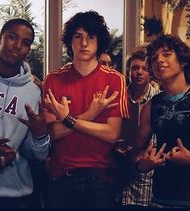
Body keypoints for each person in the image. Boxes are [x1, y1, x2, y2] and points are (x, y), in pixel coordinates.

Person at [42, 10, 129, 208]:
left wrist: (68, 119)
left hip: (100, 177)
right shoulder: (53, 79)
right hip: (60, 175)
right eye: (78, 36)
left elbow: (112, 134)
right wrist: (91, 114)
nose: (84, 43)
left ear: (99, 42)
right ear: (69, 41)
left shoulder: (115, 79)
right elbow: (53, 132)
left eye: (91, 37)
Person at [0, 18, 50, 208]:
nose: (18, 46)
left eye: (25, 43)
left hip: (16, 195)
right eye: (13, 37)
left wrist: (40, 136)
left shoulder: (33, 90)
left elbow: (34, 153)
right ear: (0, 37)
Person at [135, 34, 190, 208]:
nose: (159, 60)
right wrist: (143, 165)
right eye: (154, 58)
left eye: (167, 54)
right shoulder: (150, 107)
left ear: (183, 61)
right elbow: (137, 152)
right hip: (161, 198)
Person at [116, 44, 160, 207]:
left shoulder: (158, 100)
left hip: (146, 179)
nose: (139, 72)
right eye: (135, 68)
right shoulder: (118, 99)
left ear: (151, 72)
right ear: (128, 71)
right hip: (118, 173)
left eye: (144, 68)